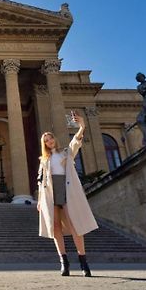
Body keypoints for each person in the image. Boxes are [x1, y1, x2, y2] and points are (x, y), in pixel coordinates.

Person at [37, 111, 98, 277]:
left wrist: (82, 126)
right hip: (50, 194)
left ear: (54, 140)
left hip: (66, 190)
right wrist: (40, 200)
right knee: (55, 227)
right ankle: (64, 262)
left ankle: (83, 261)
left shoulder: (65, 153)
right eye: (46, 141)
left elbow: (76, 142)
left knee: (74, 225)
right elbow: (40, 181)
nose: (49, 142)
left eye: (50, 138)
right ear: (44, 144)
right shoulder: (43, 160)